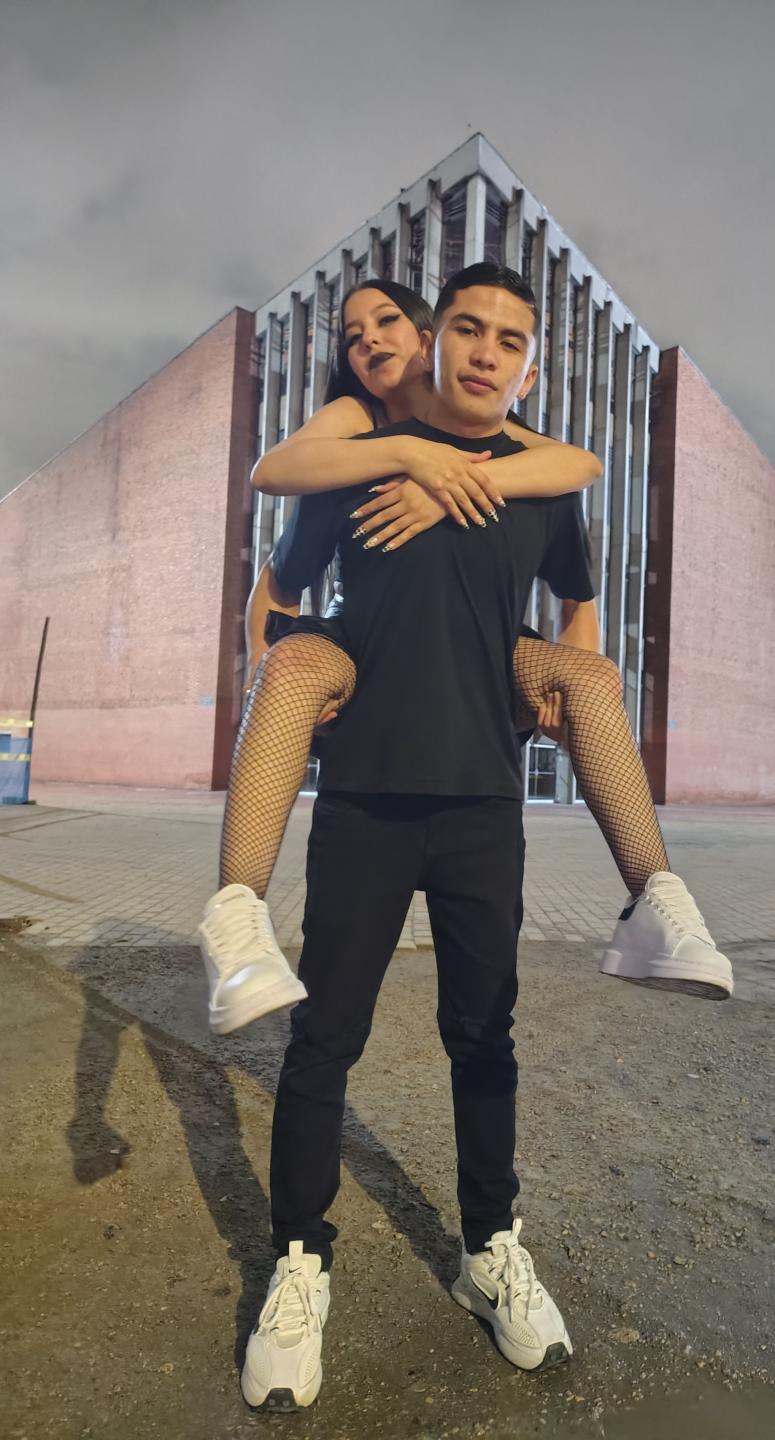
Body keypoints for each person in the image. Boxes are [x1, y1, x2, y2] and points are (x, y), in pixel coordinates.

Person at [240, 265, 597, 1409]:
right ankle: (300, 1263)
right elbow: (280, 591)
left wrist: (560, 681)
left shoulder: (540, 483)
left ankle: (489, 1251)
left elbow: (579, 594)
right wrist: (299, 676)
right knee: (323, 1041)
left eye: (511, 339)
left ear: (530, 363)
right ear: (433, 341)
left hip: (486, 803)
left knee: (484, 1039)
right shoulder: (354, 465)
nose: (487, 351)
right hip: (365, 802)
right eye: (468, 330)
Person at [200, 278, 733, 1037]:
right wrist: (412, 457)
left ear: (426, 340)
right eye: (353, 335)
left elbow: (580, 472)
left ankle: (656, 900)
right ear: (440, 342)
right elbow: (271, 487)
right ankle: (236, 925)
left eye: (387, 322)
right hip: (363, 656)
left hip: (483, 678)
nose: (370, 342)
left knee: (591, 677)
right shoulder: (353, 432)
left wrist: (457, 482)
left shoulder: (515, 453)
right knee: (288, 671)